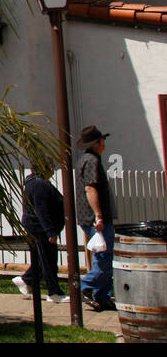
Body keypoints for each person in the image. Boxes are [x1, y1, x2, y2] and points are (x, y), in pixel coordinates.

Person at [75, 125, 115, 312]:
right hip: (95, 219)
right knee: (104, 257)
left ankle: (103, 296)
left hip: (90, 218)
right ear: (98, 143)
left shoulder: (87, 159)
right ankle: (85, 287)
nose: (104, 143)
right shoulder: (92, 161)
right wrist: (98, 216)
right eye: (102, 140)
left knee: (105, 256)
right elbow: (90, 188)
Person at [14, 164, 67, 302]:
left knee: (42, 259)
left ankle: (26, 280)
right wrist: (50, 231)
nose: (53, 170)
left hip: (39, 227)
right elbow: (41, 209)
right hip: (40, 228)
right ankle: (54, 292)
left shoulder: (37, 183)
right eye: (51, 167)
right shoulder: (39, 184)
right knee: (48, 259)